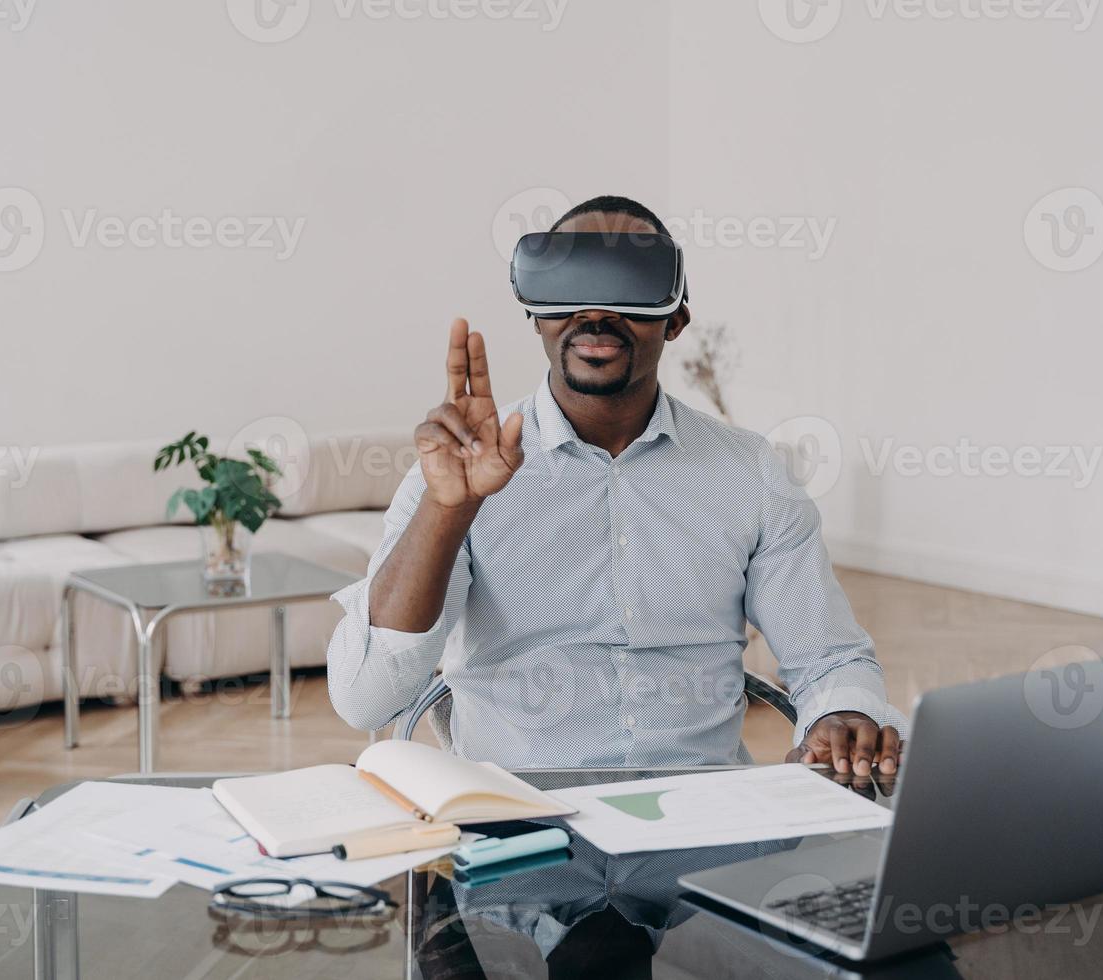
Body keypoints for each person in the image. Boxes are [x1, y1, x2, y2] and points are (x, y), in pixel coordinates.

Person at [327, 195, 905, 775]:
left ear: (675, 317)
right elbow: (367, 699)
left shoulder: (749, 472)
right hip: (515, 816)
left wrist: (841, 713)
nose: (595, 312)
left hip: (706, 815)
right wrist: (449, 509)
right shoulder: (457, 475)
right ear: (537, 313)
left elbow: (827, 657)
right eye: (569, 285)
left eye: (628, 285)